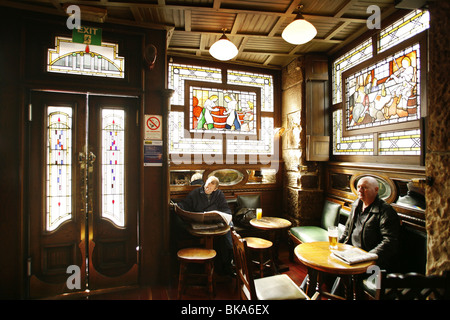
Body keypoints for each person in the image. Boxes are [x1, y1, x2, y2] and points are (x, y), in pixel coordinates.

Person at [339, 176, 400, 271]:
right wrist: (337, 248)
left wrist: (367, 257)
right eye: (358, 187)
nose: (360, 190)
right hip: (350, 253)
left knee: (339, 273)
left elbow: (389, 242)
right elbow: (347, 231)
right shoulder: (356, 205)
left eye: (364, 187)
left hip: (371, 261)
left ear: (376, 190)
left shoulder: (386, 211)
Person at [177, 176, 234, 276]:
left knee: (228, 232)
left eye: (210, 188)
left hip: (215, 223)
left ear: (215, 189)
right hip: (200, 223)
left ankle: (227, 264)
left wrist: (226, 216)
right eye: (206, 186)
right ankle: (207, 267)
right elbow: (185, 205)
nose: (207, 189)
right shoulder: (195, 193)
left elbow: (226, 209)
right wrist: (177, 206)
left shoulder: (219, 194)